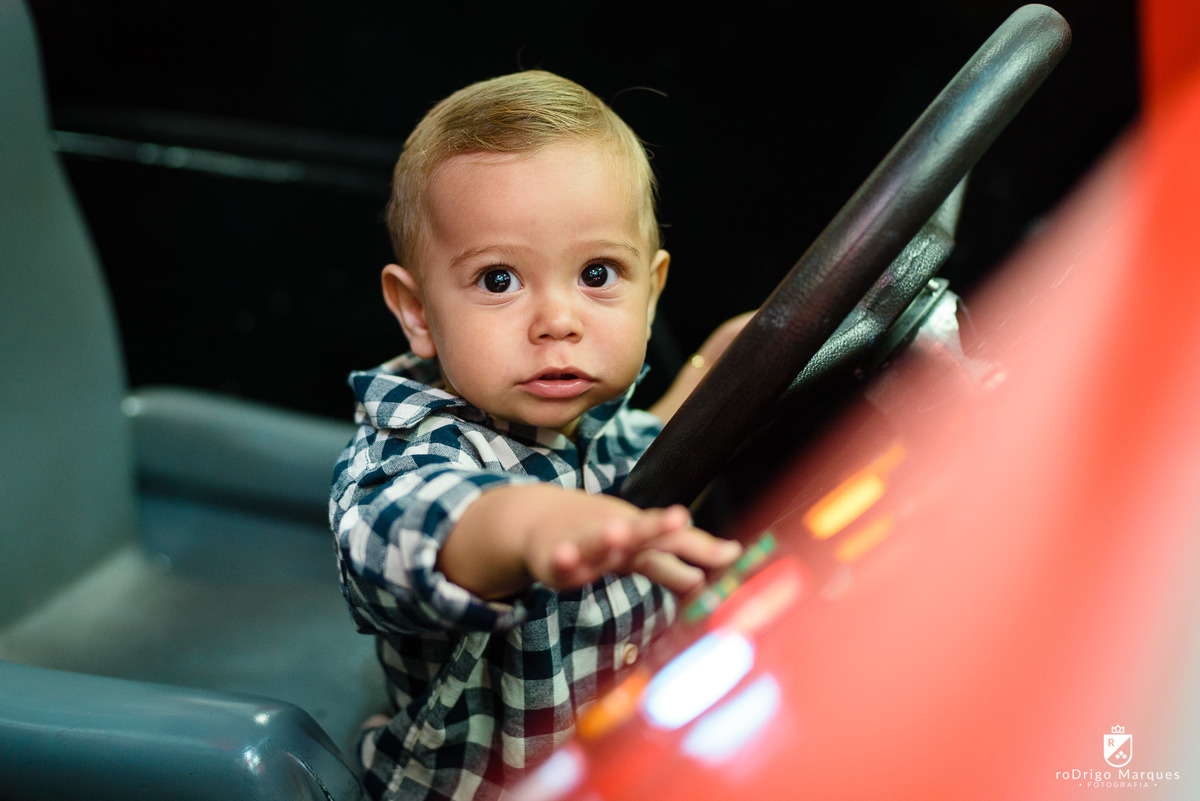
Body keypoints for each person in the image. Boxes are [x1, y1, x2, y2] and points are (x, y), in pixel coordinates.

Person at [329, 69, 748, 801]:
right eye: (499, 280)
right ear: (417, 311)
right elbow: (423, 529)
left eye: (597, 273)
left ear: (651, 291)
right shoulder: (409, 446)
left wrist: (733, 361)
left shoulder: (597, 418)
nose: (558, 320)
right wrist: (537, 526)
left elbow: (660, 446)